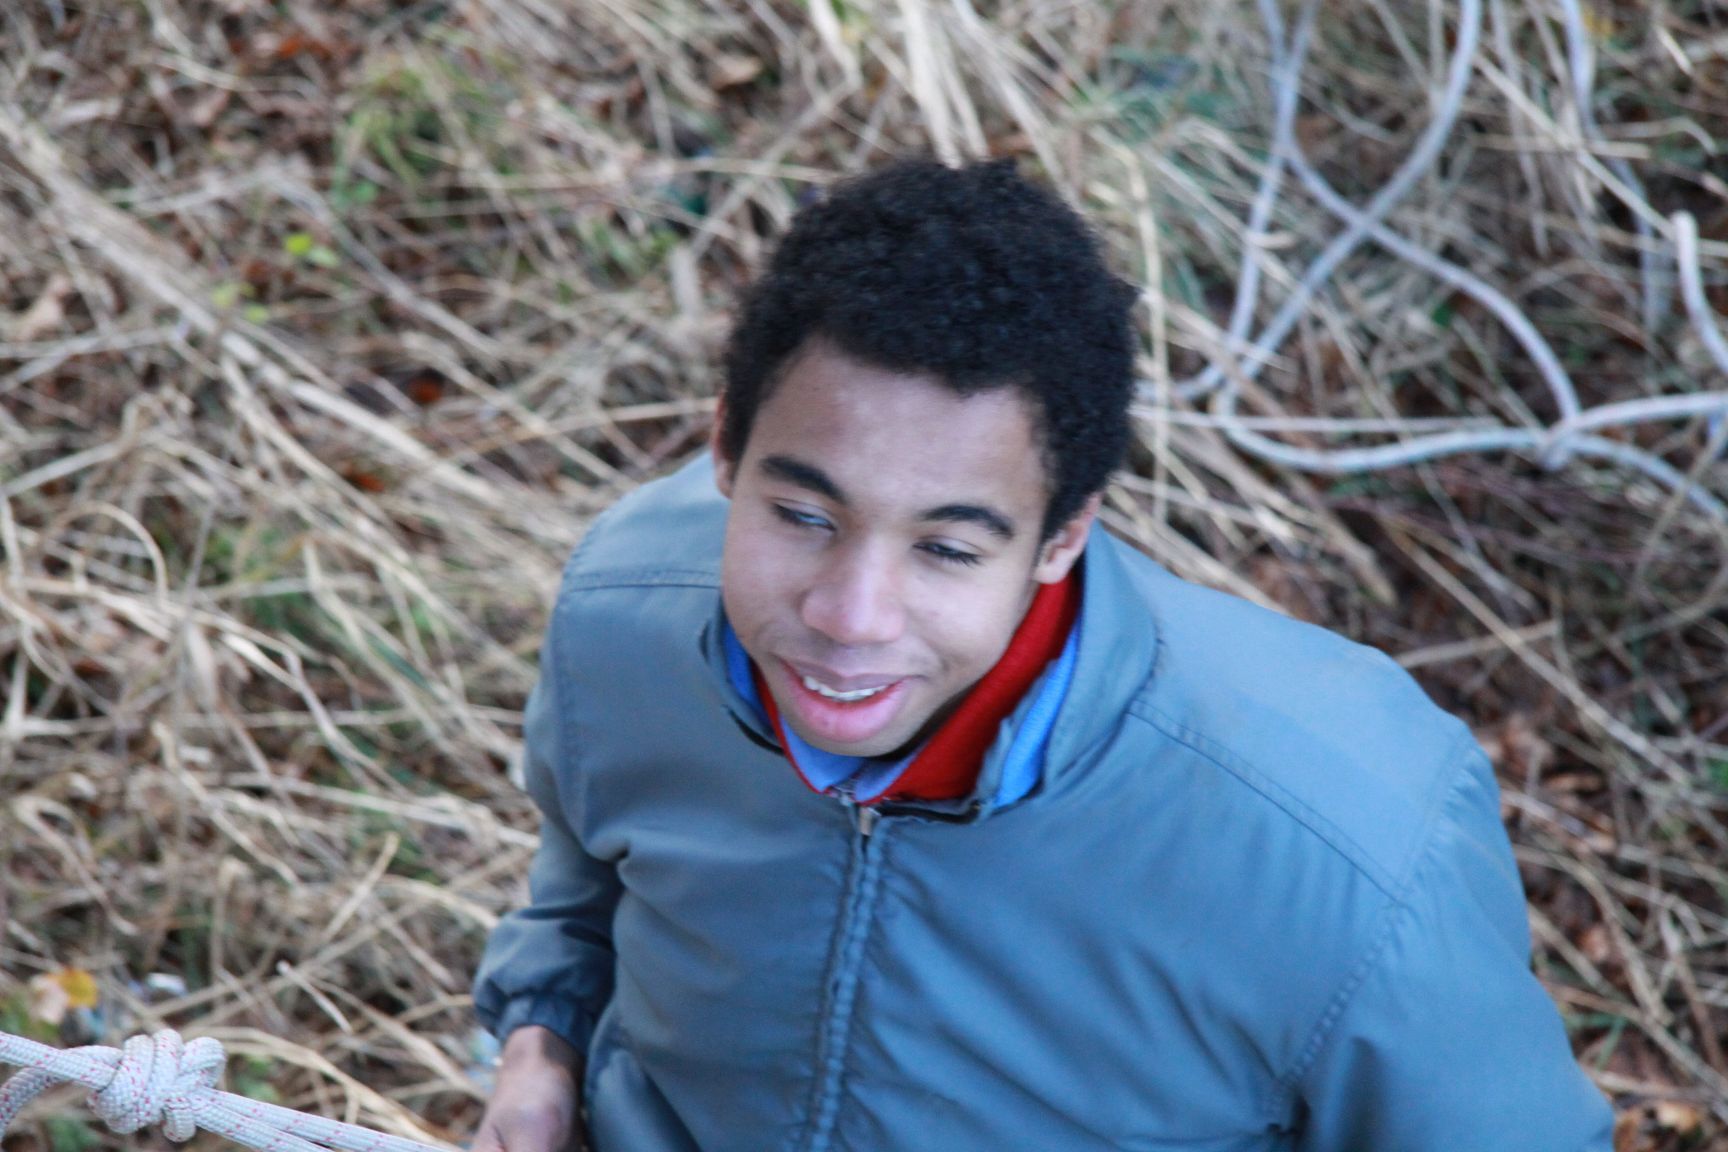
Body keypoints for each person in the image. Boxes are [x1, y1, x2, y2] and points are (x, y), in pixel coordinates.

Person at [469, 159, 1614, 1151]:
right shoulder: (625, 610)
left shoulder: (1346, 848)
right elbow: (584, 887)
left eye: (947, 549)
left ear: (1063, 535)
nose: (851, 615)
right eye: (806, 516)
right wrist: (540, 1043)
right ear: (726, 445)